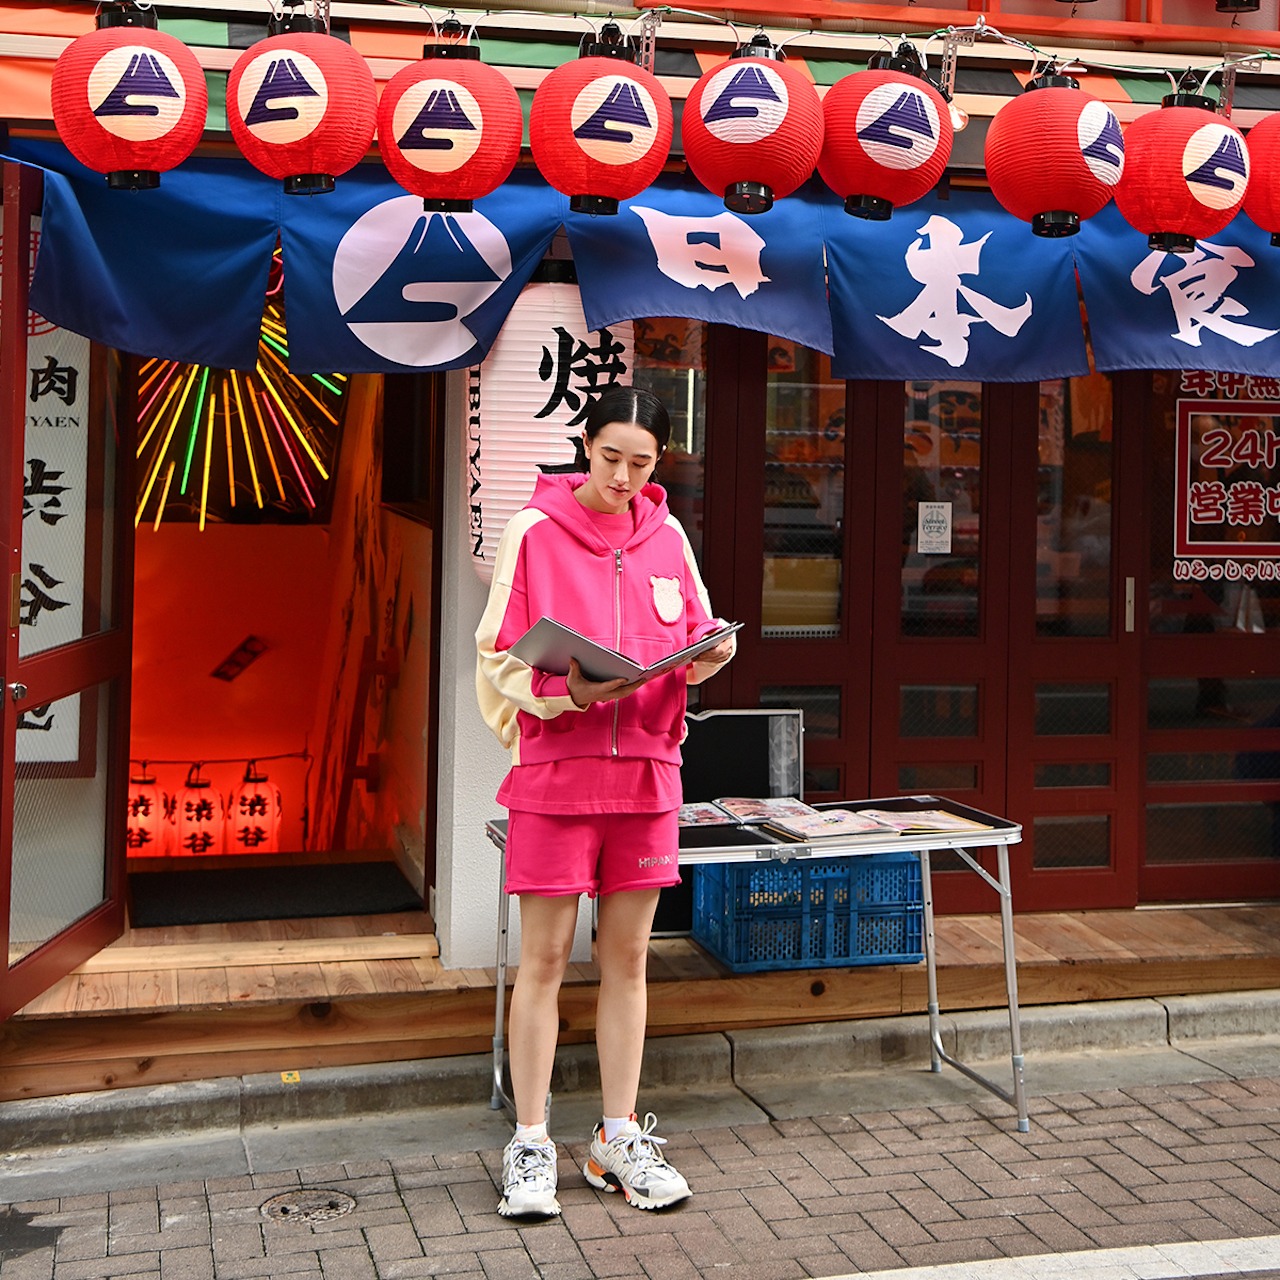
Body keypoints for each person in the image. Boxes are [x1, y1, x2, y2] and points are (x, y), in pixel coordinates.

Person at [475, 384, 735, 1218]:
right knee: (544, 962)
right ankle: (530, 1143)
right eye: (611, 458)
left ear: (662, 462)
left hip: (648, 778)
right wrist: (568, 693)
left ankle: (616, 1138)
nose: (624, 477)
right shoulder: (535, 531)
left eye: (643, 463)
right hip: (557, 779)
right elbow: (499, 661)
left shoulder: (670, 537)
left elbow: (694, 632)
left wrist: (705, 659)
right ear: (585, 447)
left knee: (628, 960)